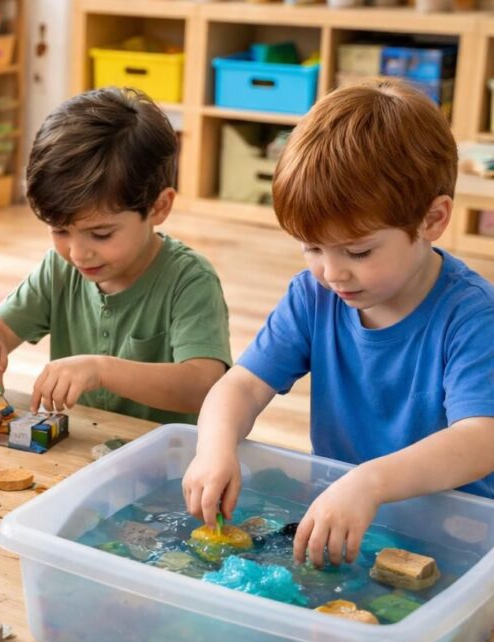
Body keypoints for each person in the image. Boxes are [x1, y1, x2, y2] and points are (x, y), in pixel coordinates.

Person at [182, 80, 494, 567]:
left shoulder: (472, 316)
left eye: (358, 251)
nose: (332, 273)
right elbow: (241, 385)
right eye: (312, 247)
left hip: (457, 538)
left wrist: (369, 481)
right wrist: (214, 448)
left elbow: (480, 439)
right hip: (347, 520)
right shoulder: (314, 296)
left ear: (432, 220)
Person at [0, 87, 231, 424]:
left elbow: (204, 385)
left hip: (167, 452)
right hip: (84, 447)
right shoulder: (59, 270)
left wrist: (101, 370)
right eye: (60, 230)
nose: (78, 254)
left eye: (101, 234)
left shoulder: (190, 280)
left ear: (159, 207)